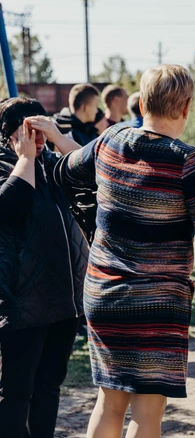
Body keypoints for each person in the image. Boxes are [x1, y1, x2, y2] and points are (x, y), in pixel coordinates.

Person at [34, 64, 195, 438]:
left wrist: (55, 135)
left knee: (108, 404)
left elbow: (68, 170)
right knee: (147, 413)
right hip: (157, 303)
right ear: (186, 106)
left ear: (142, 103)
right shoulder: (187, 161)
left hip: (104, 294)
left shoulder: (111, 139)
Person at [0, 97, 87, 437]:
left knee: (49, 388)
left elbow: (94, 169)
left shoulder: (52, 162)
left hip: (64, 302)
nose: (38, 140)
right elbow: (11, 206)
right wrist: (25, 159)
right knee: (16, 394)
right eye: (30, 131)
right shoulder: (7, 165)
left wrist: (58, 138)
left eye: (41, 129)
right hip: (22, 305)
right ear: (11, 135)